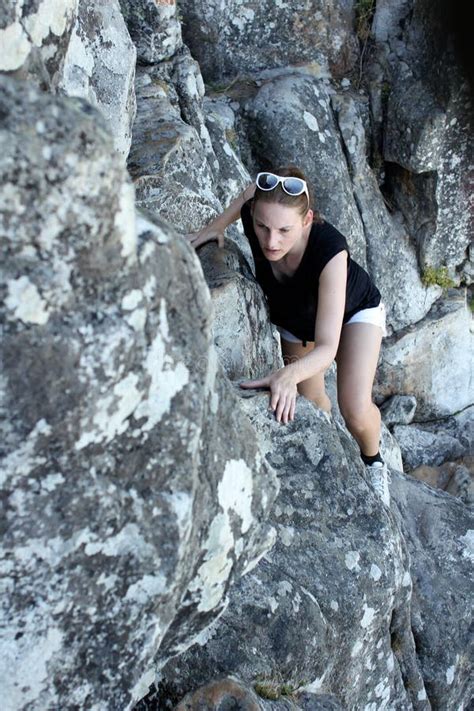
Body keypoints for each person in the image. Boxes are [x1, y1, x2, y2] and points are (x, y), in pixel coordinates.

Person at [187, 166, 390, 507]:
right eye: (262, 227)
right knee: (312, 405)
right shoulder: (256, 208)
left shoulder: (330, 250)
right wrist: (214, 228)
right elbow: (248, 194)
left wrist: (288, 373)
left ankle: (374, 461)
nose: (271, 241)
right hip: (297, 318)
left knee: (353, 407)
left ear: (307, 219)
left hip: (353, 313)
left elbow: (328, 347)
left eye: (284, 230)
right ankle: (334, 448)